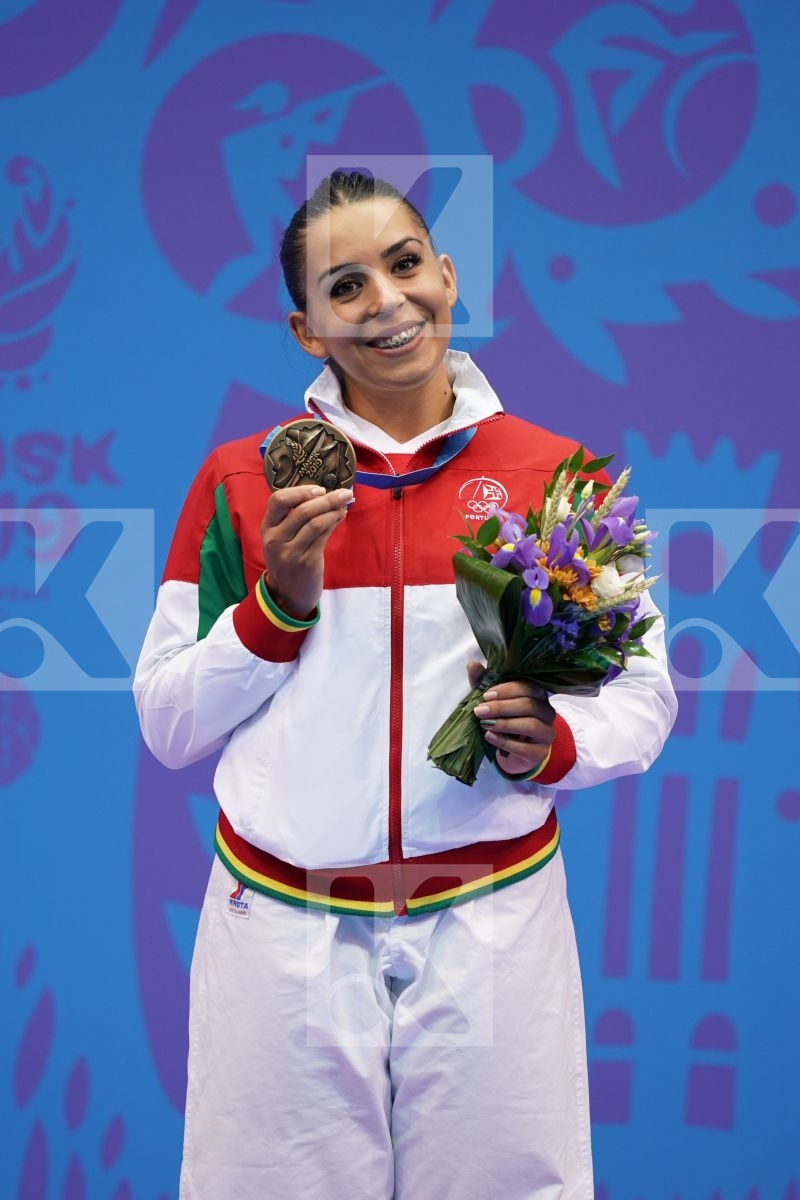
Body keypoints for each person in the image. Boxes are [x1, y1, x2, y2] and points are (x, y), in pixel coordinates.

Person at [133, 170, 677, 1200]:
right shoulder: (241, 483)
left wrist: (551, 743)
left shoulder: (557, 477)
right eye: (345, 287)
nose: (385, 300)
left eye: (404, 263)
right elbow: (168, 721)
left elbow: (641, 696)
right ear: (306, 330)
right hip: (280, 932)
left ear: (447, 276)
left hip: (492, 924)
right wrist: (277, 605)